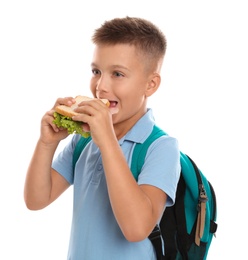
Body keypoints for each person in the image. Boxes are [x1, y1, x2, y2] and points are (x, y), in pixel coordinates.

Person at [24, 16, 181, 260]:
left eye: (117, 74)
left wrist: (107, 141)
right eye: (96, 71)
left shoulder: (160, 147)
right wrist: (47, 143)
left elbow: (136, 229)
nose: (100, 86)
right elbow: (36, 200)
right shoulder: (83, 139)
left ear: (150, 85)